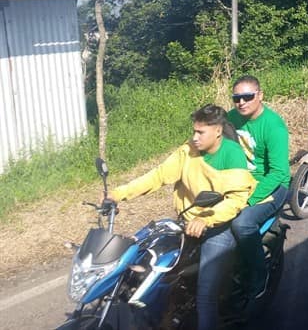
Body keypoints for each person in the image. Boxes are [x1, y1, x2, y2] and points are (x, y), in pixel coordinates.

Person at [109, 105, 255, 330]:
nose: (194, 137)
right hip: (187, 221)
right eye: (194, 131)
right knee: (148, 267)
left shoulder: (232, 154)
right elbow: (158, 175)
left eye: (201, 132)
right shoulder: (188, 150)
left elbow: (235, 200)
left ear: (217, 131)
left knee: (206, 296)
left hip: (217, 227)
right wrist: (119, 194)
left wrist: (207, 219)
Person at [227, 75, 291, 301]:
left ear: (260, 95)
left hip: (273, 185)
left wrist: (250, 200)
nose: (242, 102)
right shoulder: (231, 118)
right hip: (239, 181)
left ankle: (258, 274)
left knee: (242, 223)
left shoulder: (274, 126)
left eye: (247, 96)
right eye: (237, 98)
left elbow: (279, 173)